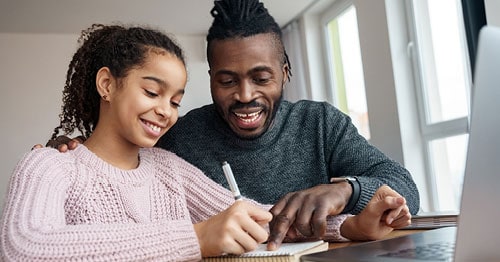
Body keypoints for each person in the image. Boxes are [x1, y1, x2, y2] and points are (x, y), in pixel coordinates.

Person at [37, 0, 417, 251]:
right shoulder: (176, 140)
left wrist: (347, 195)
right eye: (227, 80)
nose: (245, 95)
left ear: (285, 73)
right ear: (212, 78)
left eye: (261, 77)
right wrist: (76, 153)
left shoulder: (320, 123)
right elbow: (121, 160)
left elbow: (404, 192)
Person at [1, 23, 276, 261]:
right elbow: (24, 250)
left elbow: (260, 220)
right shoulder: (49, 166)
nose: (166, 111)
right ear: (107, 84)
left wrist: (315, 201)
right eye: (152, 92)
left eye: (175, 102)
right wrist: (195, 238)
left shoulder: (170, 169)